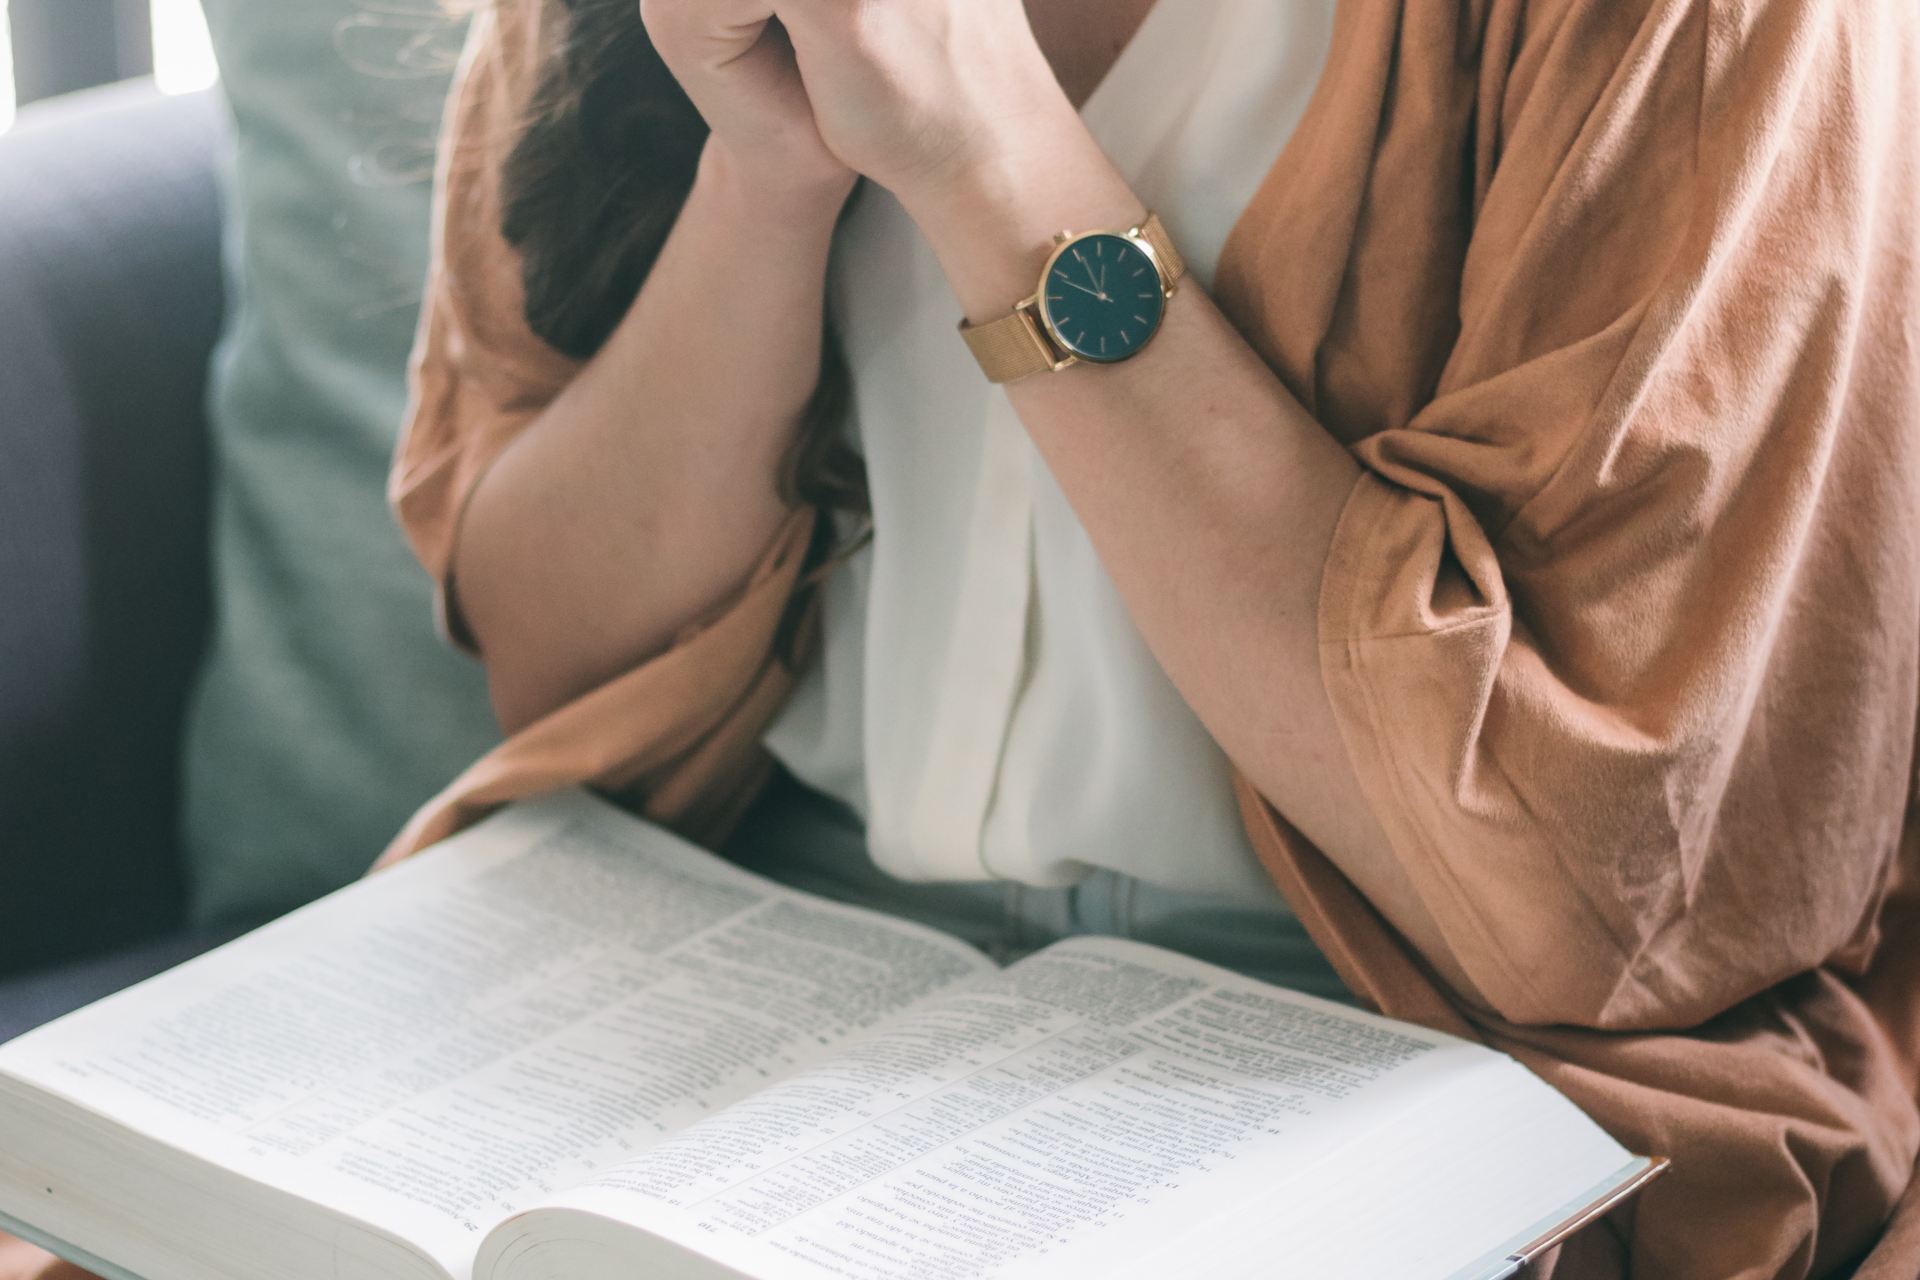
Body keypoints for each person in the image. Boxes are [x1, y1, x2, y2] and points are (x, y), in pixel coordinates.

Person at [5, 0, 1917, 1277]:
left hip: (1401, 1062)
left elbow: (1616, 886)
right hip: (736, 964)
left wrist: (992, 162)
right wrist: (768, 179)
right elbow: (558, 674)